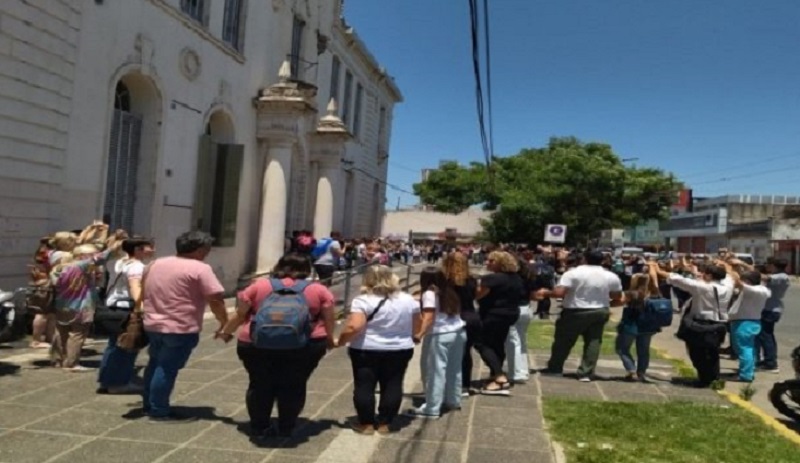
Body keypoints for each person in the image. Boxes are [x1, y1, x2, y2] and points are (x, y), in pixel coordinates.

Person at [218, 253, 336, 438]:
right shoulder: (318, 289)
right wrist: (329, 338)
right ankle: (286, 426)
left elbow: (241, 314)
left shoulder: (259, 286)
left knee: (259, 383)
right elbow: (330, 318)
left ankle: (259, 426)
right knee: (294, 384)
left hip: (256, 343)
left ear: (279, 266)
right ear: (307, 269)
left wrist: (227, 331)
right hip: (306, 344)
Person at [140, 231, 228, 422]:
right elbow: (215, 299)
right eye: (206, 249)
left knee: (154, 364)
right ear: (198, 250)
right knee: (167, 368)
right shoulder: (200, 268)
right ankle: (159, 409)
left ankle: (149, 403)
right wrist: (223, 322)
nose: (208, 253)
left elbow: (143, 288)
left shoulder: (155, 264)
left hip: (153, 323)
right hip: (180, 326)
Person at [337, 265, 420, 435]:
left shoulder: (363, 300)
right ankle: (385, 423)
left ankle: (366, 423)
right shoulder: (408, 299)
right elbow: (416, 325)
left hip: (367, 348)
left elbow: (354, 325)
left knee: (364, 385)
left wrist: (340, 340)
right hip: (399, 348)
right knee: (393, 384)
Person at [536, 250, 623, 382]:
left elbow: (559, 293)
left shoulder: (573, 273)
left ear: (584, 258)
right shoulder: (611, 276)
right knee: (593, 341)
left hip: (575, 310)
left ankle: (555, 368)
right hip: (599, 310)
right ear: (603, 260)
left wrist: (545, 293)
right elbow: (616, 295)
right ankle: (586, 372)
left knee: (563, 341)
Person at [652, 258, 733, 387]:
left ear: (710, 276)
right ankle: (713, 378)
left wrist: (657, 269)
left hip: (702, 323)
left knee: (697, 352)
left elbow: (678, 280)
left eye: (705, 273)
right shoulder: (728, 285)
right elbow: (729, 274)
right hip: (720, 324)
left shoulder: (702, 287)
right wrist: (724, 264)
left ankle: (704, 379)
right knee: (713, 353)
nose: (702, 275)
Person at [50, 229, 121, 372]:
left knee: (61, 332)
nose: (93, 257)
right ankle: (71, 363)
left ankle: (59, 359)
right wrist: (117, 243)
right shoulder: (80, 266)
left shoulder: (59, 267)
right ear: (82, 256)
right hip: (81, 305)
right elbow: (103, 257)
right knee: (78, 334)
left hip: (62, 304)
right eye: (91, 254)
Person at [97, 237, 155, 394]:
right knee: (128, 346)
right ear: (137, 250)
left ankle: (107, 380)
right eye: (148, 247)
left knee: (113, 346)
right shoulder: (137, 267)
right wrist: (141, 307)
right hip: (126, 309)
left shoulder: (120, 262)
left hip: (113, 307)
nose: (152, 250)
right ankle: (118, 383)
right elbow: (135, 286)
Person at [408, 267, 466, 419]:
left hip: (439, 334)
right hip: (458, 332)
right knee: (454, 369)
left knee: (434, 371)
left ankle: (432, 407)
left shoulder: (429, 293)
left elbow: (429, 317)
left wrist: (419, 334)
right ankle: (453, 400)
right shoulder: (449, 291)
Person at [475, 251, 524, 395]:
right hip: (511, 313)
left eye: (491, 261)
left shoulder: (492, 279)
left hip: (493, 314)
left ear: (500, 263)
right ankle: (494, 375)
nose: (487, 262)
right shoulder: (516, 278)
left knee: (481, 343)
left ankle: (499, 375)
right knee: (497, 344)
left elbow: (478, 295)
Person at [615, 264, 662, 382]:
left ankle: (631, 368)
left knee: (622, 348)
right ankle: (641, 373)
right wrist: (653, 267)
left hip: (631, 325)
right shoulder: (654, 294)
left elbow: (619, 302)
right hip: (648, 326)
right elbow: (653, 279)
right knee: (643, 351)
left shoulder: (631, 294)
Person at [726, 269, 770, 383]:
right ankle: (749, 370)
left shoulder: (753, 290)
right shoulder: (762, 289)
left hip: (744, 323)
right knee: (750, 349)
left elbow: (738, 283)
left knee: (744, 349)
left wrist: (728, 269)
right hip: (750, 322)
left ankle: (746, 375)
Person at [755, 258, 790, 373]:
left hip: (771, 309)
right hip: (767, 308)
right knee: (765, 336)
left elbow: (764, 277)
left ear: (774, 265)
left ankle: (771, 363)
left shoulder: (782, 276)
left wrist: (745, 266)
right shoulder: (776, 275)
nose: (767, 266)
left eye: (768, 264)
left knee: (766, 336)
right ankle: (767, 360)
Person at [504, 254, 535, 384]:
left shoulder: (512, 279)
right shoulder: (528, 277)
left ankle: (516, 373)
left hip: (515, 309)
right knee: (521, 341)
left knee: (512, 342)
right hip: (526, 308)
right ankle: (523, 369)